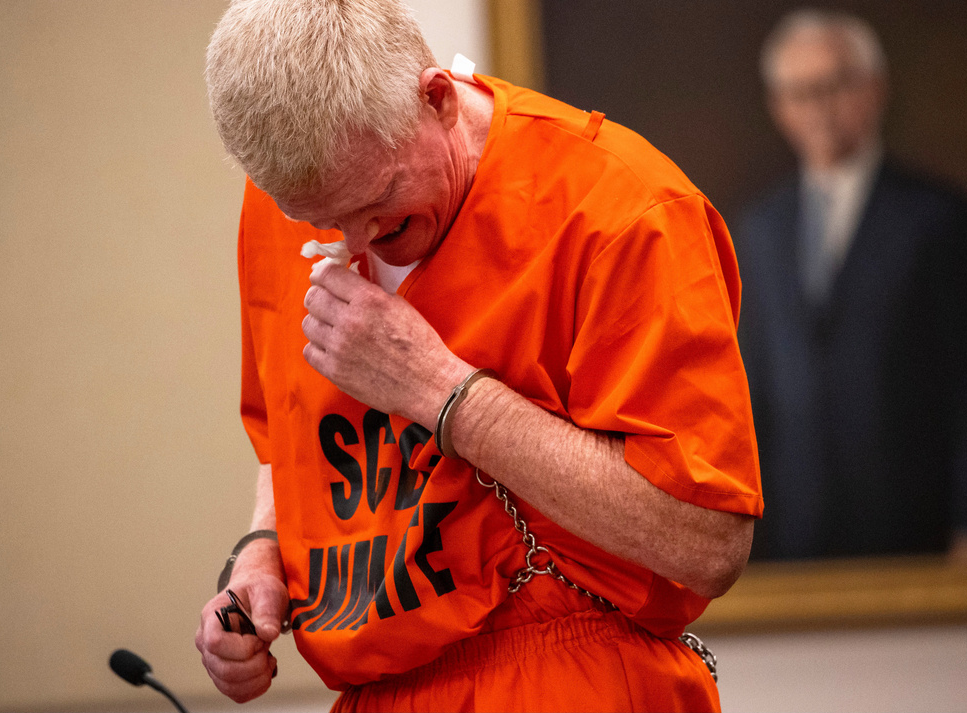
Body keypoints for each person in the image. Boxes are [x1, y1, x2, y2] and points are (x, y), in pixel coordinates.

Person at [195, 0, 762, 710]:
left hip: (566, 671)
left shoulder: (623, 210)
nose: (354, 243)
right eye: (318, 221)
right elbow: (288, 438)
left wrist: (441, 391)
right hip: (371, 685)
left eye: (380, 202)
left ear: (435, 100)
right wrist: (259, 554)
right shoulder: (288, 198)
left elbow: (707, 542)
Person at [737, 9, 967, 560]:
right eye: (799, 92)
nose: (818, 107)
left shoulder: (941, 219)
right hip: (791, 538)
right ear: (778, 107)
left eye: (834, 85)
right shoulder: (758, 231)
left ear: (875, 89)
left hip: (917, 532)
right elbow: (748, 392)